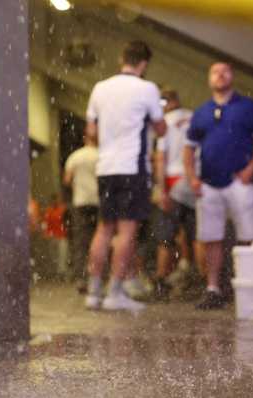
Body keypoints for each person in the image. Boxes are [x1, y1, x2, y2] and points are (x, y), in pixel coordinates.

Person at [83, 40, 167, 311]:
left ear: (122, 58)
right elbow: (161, 128)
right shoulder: (147, 88)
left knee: (104, 229)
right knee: (127, 231)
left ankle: (93, 292)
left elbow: (92, 132)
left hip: (106, 168)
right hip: (132, 167)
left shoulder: (100, 88)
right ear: (143, 64)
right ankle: (114, 293)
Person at [183, 62, 253, 310]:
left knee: (250, 236)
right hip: (209, 184)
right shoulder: (201, 112)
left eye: (225, 71)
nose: (220, 75)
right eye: (214, 72)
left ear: (233, 76)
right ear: (209, 78)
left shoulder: (249, 107)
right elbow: (188, 148)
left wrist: (251, 168)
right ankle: (213, 289)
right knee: (211, 238)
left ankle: (251, 288)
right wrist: (192, 177)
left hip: (240, 181)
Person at [152, 89, 198, 300]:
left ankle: (161, 283)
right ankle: (202, 280)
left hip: (172, 180)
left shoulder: (164, 122)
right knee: (197, 235)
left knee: (166, 237)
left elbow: (161, 158)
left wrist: (162, 190)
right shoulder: (196, 117)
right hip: (195, 179)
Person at [63, 133, 99, 293]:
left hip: (80, 202)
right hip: (98, 202)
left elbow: (67, 180)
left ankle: (81, 278)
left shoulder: (75, 157)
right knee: (98, 240)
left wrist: (78, 189)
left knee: (80, 241)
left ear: (85, 139)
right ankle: (97, 277)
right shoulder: (101, 155)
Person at [43, 193, 69, 279]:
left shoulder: (63, 209)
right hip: (53, 237)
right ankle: (56, 272)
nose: (54, 202)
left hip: (62, 236)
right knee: (54, 255)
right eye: (53, 200)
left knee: (63, 254)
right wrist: (47, 234)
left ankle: (62, 272)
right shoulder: (49, 211)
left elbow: (67, 222)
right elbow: (46, 224)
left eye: (56, 200)